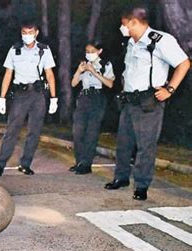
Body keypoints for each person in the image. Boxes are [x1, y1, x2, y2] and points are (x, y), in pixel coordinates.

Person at [104, 7, 190, 200]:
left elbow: (183, 63)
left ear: (134, 22)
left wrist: (170, 89)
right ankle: (121, 178)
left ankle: (141, 186)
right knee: (124, 144)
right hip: (129, 101)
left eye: (124, 24)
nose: (122, 28)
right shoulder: (131, 43)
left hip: (149, 100)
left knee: (145, 146)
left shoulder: (161, 40)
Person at [0, 21, 58, 177]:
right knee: (11, 131)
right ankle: (0, 165)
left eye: (30, 32)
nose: (27, 36)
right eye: (24, 33)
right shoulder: (15, 50)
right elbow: (8, 74)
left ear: (36, 33)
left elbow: (49, 74)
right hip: (21, 95)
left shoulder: (44, 50)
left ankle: (25, 164)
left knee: (34, 132)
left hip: (38, 94)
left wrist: (54, 98)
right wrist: (2, 97)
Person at [70, 41, 115, 174]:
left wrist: (94, 72)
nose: (89, 54)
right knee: (78, 131)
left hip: (97, 98)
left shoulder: (105, 65)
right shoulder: (84, 64)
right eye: (87, 52)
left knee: (91, 132)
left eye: (92, 51)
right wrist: (79, 71)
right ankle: (79, 161)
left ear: (99, 51)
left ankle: (86, 164)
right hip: (83, 97)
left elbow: (110, 84)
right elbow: (73, 83)